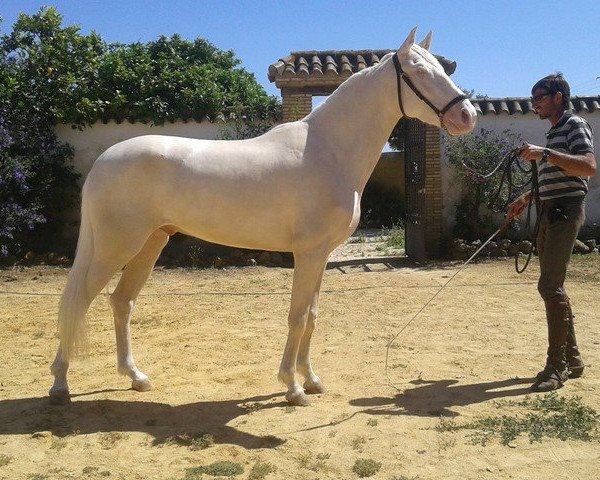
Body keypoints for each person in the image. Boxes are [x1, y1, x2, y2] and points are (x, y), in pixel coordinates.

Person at [507, 73, 596, 392]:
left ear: (558, 96)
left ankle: (556, 367)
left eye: (539, 98)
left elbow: (587, 167)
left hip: (565, 212)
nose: (535, 104)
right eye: (533, 99)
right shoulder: (555, 132)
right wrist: (526, 198)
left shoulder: (574, 124)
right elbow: (555, 176)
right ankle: (571, 359)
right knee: (553, 286)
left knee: (550, 286)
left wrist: (544, 154)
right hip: (549, 211)